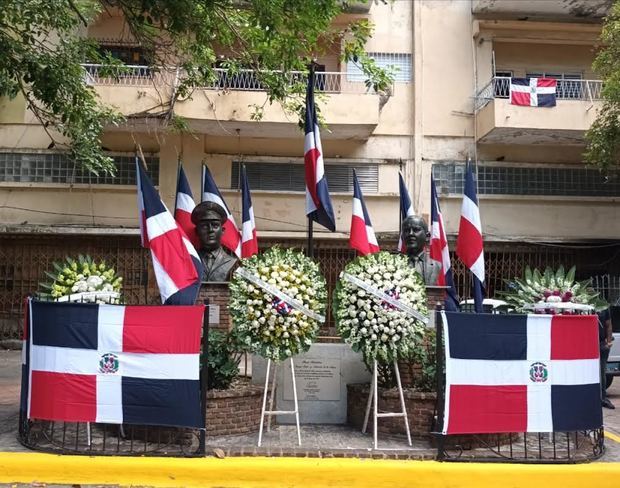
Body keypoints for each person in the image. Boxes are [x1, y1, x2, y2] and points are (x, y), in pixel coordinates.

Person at [191, 201, 238, 282]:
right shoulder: (190, 261)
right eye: (205, 226)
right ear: (196, 231)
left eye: (215, 225)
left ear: (222, 231)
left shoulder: (234, 263)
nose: (210, 230)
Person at [402, 215, 440, 286]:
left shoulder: (436, 265)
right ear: (402, 237)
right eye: (406, 230)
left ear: (427, 236)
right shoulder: (394, 265)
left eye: (416, 230)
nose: (410, 234)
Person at [599, 306, 615, 409]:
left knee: (601, 372)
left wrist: (608, 342)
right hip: (586, 344)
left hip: (601, 344)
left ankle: (603, 398)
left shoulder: (604, 308)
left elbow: (608, 325)